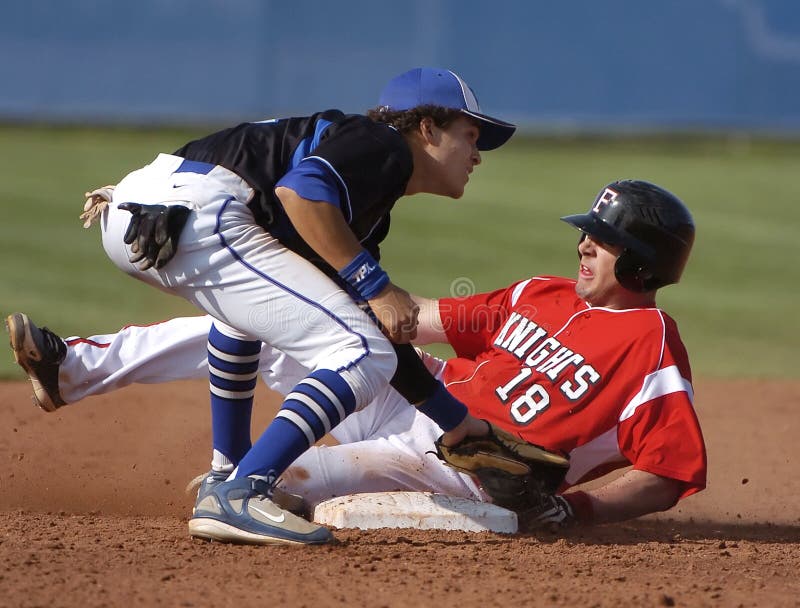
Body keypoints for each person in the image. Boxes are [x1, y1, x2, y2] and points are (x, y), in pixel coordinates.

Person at [7, 179, 706, 529]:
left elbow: (668, 472)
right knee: (247, 317)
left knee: (279, 486)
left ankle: (246, 486)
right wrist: (310, 281)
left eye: (602, 239)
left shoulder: (651, 345)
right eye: (586, 233)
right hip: (416, 392)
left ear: (640, 264)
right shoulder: (541, 292)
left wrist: (573, 512)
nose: (583, 244)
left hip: (464, 466)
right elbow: (417, 321)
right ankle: (73, 369)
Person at [48, 66, 516, 545]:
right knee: (360, 354)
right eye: (471, 135)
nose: (477, 155)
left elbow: (373, 325)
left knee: (265, 322)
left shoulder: (361, 203)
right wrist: (376, 285)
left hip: (143, 210)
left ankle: (226, 472)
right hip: (195, 213)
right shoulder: (384, 145)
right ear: (427, 128)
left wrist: (458, 425)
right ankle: (242, 493)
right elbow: (304, 190)